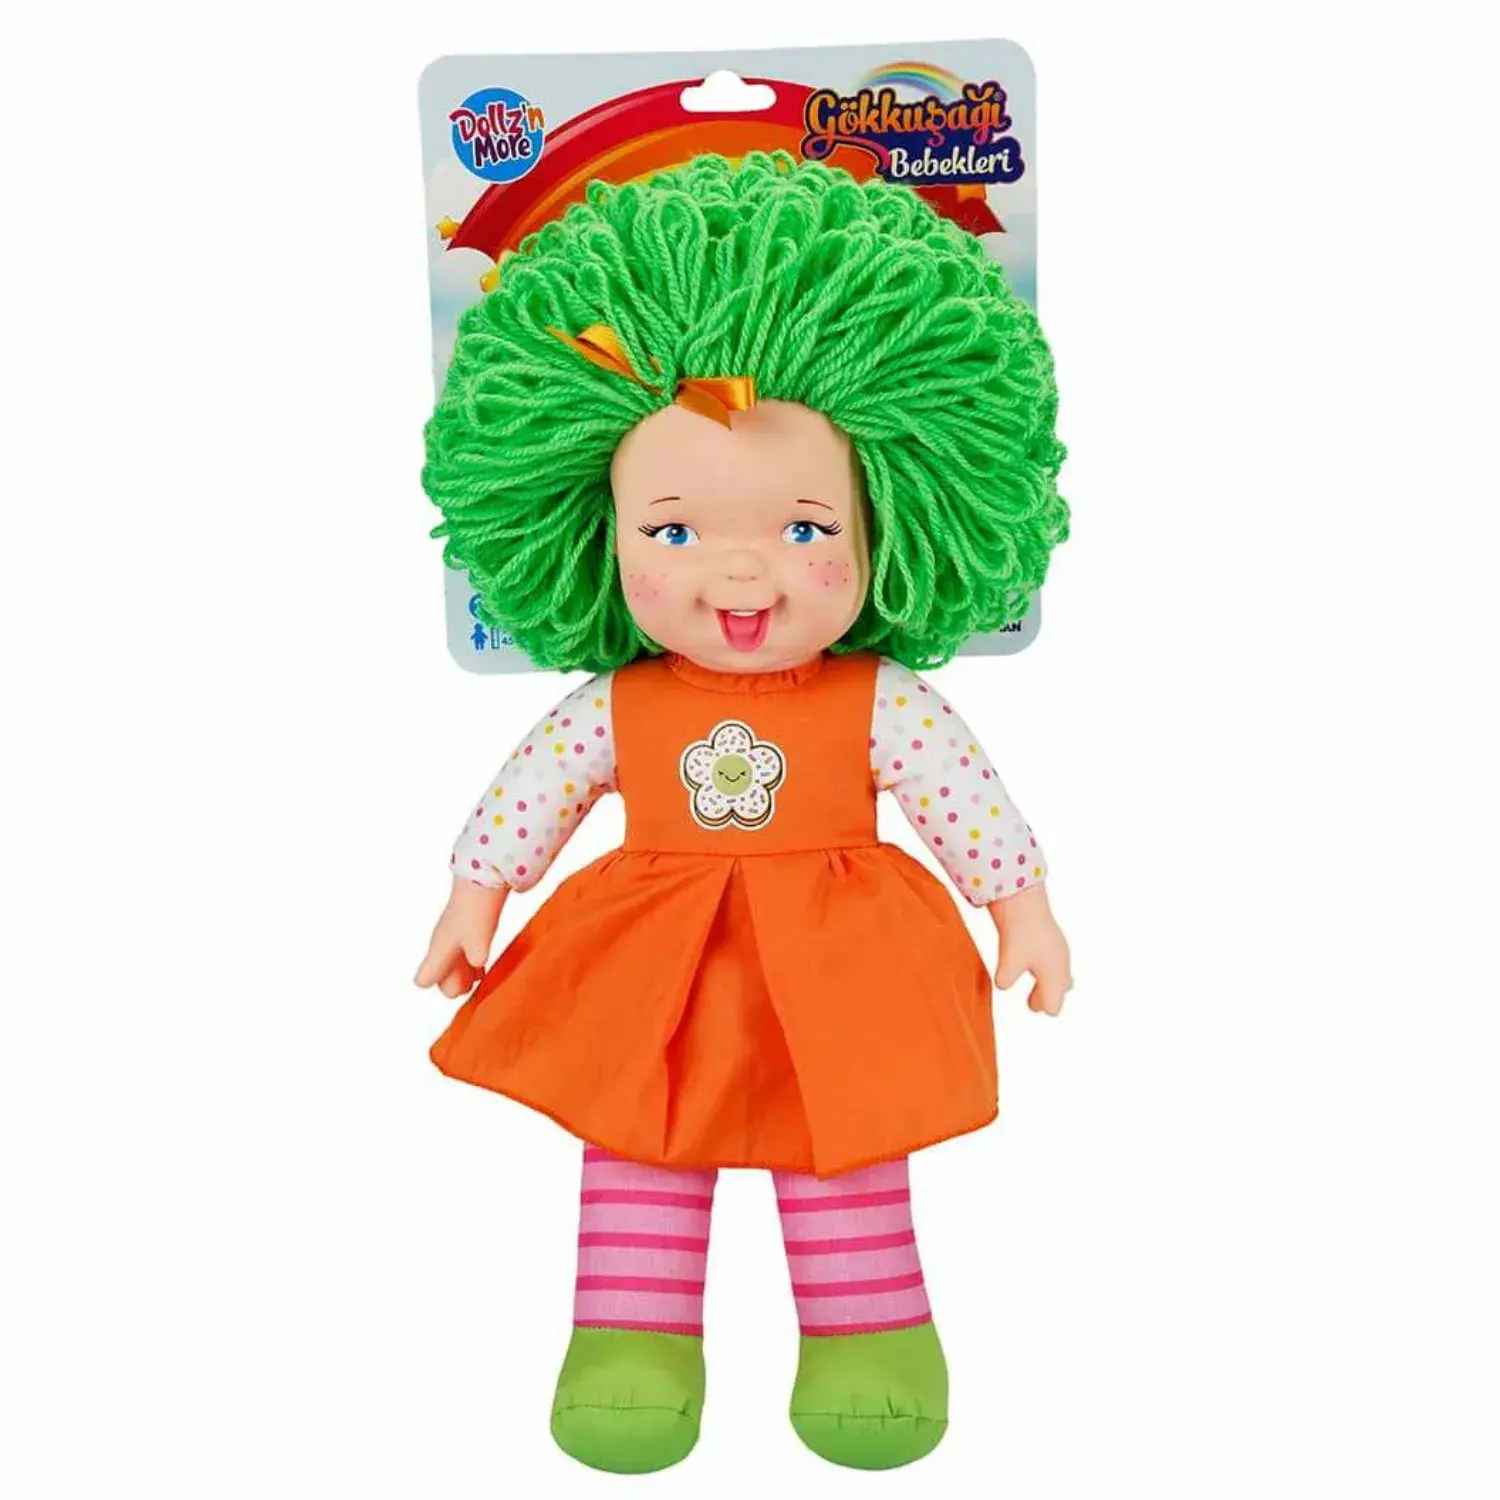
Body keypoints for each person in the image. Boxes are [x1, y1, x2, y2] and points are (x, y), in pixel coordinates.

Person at [416, 151, 1072, 1474]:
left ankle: (869, 1341)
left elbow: (964, 798)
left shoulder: (881, 701)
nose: (737, 571)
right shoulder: (621, 704)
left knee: (848, 1138)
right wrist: (473, 897)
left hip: (842, 965)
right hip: (652, 967)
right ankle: (630, 1344)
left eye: (804, 528)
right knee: (638, 1138)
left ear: (892, 521)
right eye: (670, 533)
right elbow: (536, 788)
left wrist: (1026, 911)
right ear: (594, 531)